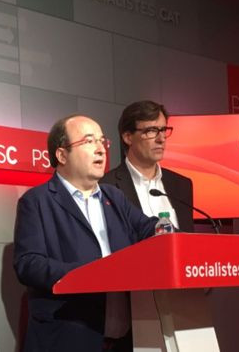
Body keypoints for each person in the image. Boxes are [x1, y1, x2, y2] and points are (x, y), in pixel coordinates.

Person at [14, 114, 158, 352]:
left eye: (103, 141)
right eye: (89, 141)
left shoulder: (115, 197)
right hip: (69, 337)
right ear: (61, 155)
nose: (101, 149)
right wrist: (92, 274)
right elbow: (28, 264)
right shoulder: (36, 201)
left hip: (126, 339)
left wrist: (169, 233)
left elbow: (147, 228)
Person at [101, 100, 194, 232]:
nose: (161, 139)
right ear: (128, 137)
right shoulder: (107, 187)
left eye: (163, 130)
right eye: (151, 131)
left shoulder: (181, 185)